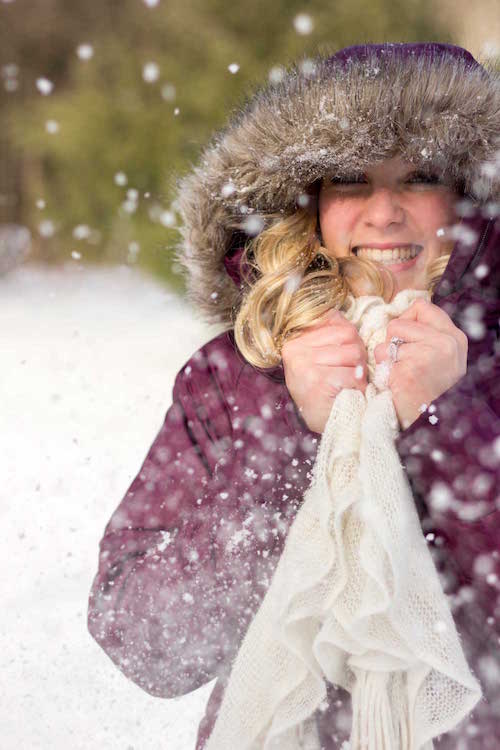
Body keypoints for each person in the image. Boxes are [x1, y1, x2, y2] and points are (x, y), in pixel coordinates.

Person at [87, 42, 500, 749]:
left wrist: (448, 421)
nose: (384, 214)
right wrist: (288, 440)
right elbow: (147, 642)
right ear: (309, 201)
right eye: (350, 180)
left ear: (469, 194)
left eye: (420, 177)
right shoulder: (238, 373)